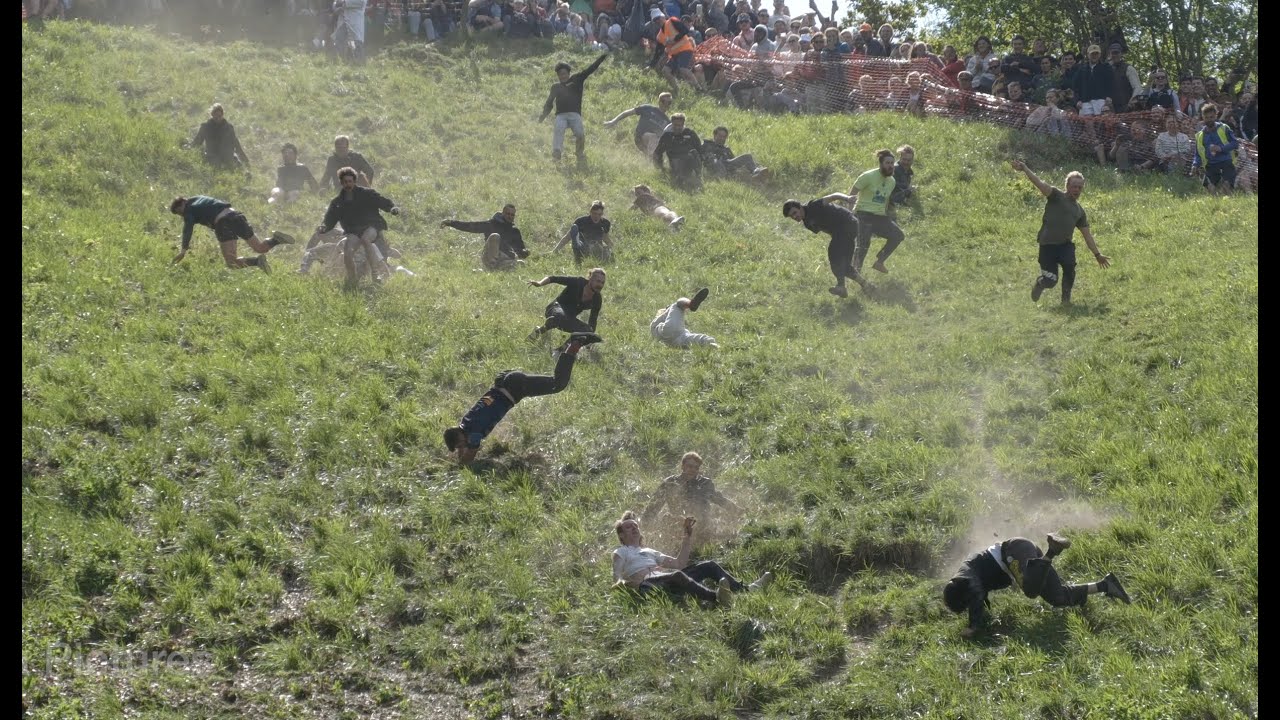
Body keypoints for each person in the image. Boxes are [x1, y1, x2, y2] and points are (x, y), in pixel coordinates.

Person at [444, 332, 604, 465]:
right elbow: (464, 449)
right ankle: (576, 343)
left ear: (459, 434)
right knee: (556, 382)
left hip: (514, 387)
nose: (461, 447)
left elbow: (468, 458)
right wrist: (459, 450)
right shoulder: (466, 423)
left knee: (558, 383)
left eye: (459, 444)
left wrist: (460, 465)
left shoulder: (474, 433)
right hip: (507, 382)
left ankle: (575, 343)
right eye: (459, 447)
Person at [943, 533, 1132, 637]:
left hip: (1014, 551)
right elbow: (977, 596)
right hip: (1024, 557)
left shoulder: (965, 574)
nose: (970, 605)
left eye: (965, 603)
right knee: (1058, 597)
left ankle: (1052, 551)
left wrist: (973, 626)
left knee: (1030, 591)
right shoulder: (968, 581)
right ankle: (1106, 585)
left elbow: (975, 593)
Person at [610, 511, 771, 606]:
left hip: (666, 580)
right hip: (648, 586)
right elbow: (616, 576)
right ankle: (716, 597)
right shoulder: (621, 551)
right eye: (628, 527)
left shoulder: (649, 551)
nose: (634, 528)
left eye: (636, 526)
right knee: (677, 575)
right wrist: (624, 583)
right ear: (621, 535)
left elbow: (679, 563)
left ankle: (746, 589)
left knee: (709, 565)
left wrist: (687, 536)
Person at [1009, 160, 1110, 306]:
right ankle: (1040, 283)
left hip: (1065, 246)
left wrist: (1097, 255)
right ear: (1067, 186)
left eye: (1080, 187)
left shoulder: (1079, 211)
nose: (1077, 190)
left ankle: (1065, 301)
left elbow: (1087, 235)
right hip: (1047, 246)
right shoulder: (1056, 196)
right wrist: (1025, 168)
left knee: (1070, 268)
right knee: (1050, 281)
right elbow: (1039, 183)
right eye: (1074, 186)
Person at [316, 167, 401, 288]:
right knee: (347, 251)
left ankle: (375, 274)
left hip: (371, 226)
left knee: (366, 240)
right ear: (341, 182)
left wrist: (392, 208)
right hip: (353, 230)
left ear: (354, 181)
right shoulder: (337, 202)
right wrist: (324, 227)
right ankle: (352, 278)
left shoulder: (367, 194)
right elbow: (330, 219)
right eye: (345, 182)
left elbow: (382, 201)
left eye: (350, 181)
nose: (348, 184)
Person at [169, 195, 294, 272]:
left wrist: (183, 250)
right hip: (236, 216)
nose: (181, 215)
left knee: (231, 262)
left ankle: (257, 262)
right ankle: (276, 240)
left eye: (179, 212)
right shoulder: (199, 198)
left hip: (223, 224)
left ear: (183, 203)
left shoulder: (189, 208)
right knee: (260, 247)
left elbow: (187, 228)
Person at [837, 149, 907, 275]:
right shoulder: (868, 176)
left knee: (898, 235)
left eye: (892, 163)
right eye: (887, 163)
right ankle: (855, 273)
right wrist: (849, 214)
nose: (890, 165)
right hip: (863, 215)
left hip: (880, 217)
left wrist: (887, 215)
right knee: (863, 246)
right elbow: (852, 194)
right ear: (881, 164)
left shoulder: (892, 181)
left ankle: (879, 262)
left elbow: (885, 201)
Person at [782, 196, 868, 298]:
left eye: (794, 213)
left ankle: (841, 286)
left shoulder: (813, 205)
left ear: (800, 207)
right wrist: (840, 242)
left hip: (848, 223)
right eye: (791, 216)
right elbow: (826, 229)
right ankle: (866, 285)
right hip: (843, 232)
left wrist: (847, 198)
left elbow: (833, 196)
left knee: (833, 254)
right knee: (844, 266)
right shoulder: (807, 224)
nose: (794, 217)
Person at [539, 53, 610, 163]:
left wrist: (601, 59)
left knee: (580, 134)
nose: (562, 76)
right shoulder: (556, 87)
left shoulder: (577, 79)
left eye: (564, 74)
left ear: (568, 73)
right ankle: (557, 152)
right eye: (560, 75)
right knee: (558, 129)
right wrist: (543, 116)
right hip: (561, 116)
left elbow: (590, 69)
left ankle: (579, 153)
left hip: (574, 115)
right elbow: (549, 103)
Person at [642, 451, 739, 531]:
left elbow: (719, 499)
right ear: (682, 466)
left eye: (696, 467)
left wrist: (737, 511)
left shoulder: (704, 483)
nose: (692, 469)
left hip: (701, 525)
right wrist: (644, 522)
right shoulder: (670, 482)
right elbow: (654, 505)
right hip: (678, 525)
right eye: (689, 466)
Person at [440, 204, 531, 269]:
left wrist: (524, 252)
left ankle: (495, 270)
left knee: (521, 264)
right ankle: (490, 267)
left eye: (512, 215)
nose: (510, 216)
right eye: (507, 214)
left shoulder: (515, 231)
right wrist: (451, 223)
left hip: (504, 260)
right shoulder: (491, 224)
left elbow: (520, 250)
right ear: (503, 213)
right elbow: (470, 226)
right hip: (489, 257)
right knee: (495, 236)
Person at [527, 269, 606, 341]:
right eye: (598, 281)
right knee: (559, 316)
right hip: (554, 309)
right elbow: (553, 278)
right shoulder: (578, 282)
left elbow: (593, 320)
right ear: (590, 279)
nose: (600, 285)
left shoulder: (597, 299)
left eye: (602, 282)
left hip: (569, 319)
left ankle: (562, 350)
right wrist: (539, 283)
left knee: (587, 331)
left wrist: (590, 336)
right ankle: (541, 330)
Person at [603, 92, 674, 157]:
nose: (666, 104)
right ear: (659, 102)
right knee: (653, 137)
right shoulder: (648, 108)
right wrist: (613, 121)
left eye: (669, 103)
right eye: (664, 101)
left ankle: (652, 164)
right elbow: (627, 113)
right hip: (640, 137)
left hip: (653, 144)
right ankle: (653, 161)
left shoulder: (667, 122)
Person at [1192, 103, 1240, 195]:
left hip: (1226, 162)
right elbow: (1198, 153)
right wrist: (1195, 164)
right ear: (1203, 117)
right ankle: (1215, 205)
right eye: (1206, 117)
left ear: (1216, 116)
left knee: (1226, 187)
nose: (1209, 120)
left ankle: (1228, 204)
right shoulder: (1200, 135)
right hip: (1211, 164)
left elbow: (1235, 143)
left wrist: (1221, 148)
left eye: (1211, 117)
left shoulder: (1224, 128)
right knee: (1210, 189)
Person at [188, 103, 250, 170]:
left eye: (220, 116)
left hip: (227, 157)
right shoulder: (206, 127)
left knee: (237, 165)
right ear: (212, 115)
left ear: (222, 115)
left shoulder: (229, 128)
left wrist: (245, 160)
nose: (218, 118)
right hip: (212, 156)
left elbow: (236, 145)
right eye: (216, 116)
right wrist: (189, 148)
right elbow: (197, 142)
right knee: (215, 165)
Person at [651, 288, 718, 349]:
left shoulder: (655, 329)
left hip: (676, 342)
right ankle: (690, 303)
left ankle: (713, 345)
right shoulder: (657, 321)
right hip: (672, 333)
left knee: (702, 340)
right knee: (677, 304)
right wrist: (668, 308)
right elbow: (675, 309)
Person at [653, 113, 704, 190]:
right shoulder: (667, 136)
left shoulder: (690, 134)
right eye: (675, 125)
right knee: (679, 178)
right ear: (672, 124)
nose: (677, 127)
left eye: (679, 125)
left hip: (690, 162)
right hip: (675, 163)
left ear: (683, 124)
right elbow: (657, 153)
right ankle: (680, 181)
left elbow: (700, 151)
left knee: (694, 153)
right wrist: (661, 169)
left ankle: (698, 179)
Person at [553, 201, 613, 265]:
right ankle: (576, 242)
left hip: (596, 248)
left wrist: (610, 247)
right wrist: (555, 250)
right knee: (578, 241)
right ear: (590, 212)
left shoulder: (605, 223)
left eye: (599, 214)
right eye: (595, 213)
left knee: (598, 248)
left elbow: (606, 238)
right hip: (582, 246)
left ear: (602, 214)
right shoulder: (581, 221)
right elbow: (567, 237)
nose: (597, 216)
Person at [700, 126, 770, 180]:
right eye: (720, 136)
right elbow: (700, 157)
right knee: (715, 160)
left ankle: (756, 173)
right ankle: (720, 177)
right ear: (714, 136)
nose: (722, 138)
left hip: (727, 165)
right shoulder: (707, 144)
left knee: (748, 157)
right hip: (714, 165)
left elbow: (733, 160)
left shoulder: (726, 149)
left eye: (724, 137)